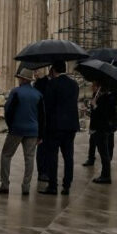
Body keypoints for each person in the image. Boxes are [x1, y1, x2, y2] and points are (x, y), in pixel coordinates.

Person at [0, 68, 45, 195]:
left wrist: (11, 126)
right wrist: (41, 134)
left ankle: (5, 184)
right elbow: (42, 116)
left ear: (22, 79)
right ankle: (26, 187)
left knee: (6, 155)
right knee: (29, 158)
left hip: (17, 129)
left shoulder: (16, 92)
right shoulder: (38, 94)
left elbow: (8, 110)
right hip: (33, 130)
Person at [39, 61, 80, 195]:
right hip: (71, 126)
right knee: (68, 157)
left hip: (55, 126)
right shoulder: (74, 85)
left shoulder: (52, 84)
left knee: (53, 156)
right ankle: (66, 185)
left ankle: (53, 186)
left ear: (53, 69)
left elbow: (48, 106)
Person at [88, 79, 117, 184]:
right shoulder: (99, 97)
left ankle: (106, 176)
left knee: (104, 154)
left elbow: (105, 114)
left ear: (99, 86)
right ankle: (104, 174)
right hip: (98, 128)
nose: (92, 88)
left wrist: (95, 106)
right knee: (103, 153)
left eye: (94, 86)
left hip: (102, 129)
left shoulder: (107, 98)